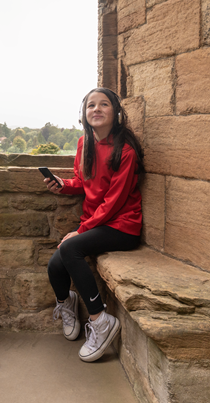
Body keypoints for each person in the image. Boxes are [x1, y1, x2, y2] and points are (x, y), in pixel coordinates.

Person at [43, 87, 144, 362]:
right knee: (55, 265)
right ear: (84, 114)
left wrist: (81, 231)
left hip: (123, 226)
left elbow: (113, 201)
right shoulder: (83, 144)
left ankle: (100, 321)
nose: (96, 109)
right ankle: (67, 303)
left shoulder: (125, 150)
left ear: (116, 113)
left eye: (104, 105)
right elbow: (83, 182)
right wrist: (63, 185)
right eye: (91, 106)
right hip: (96, 222)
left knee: (70, 249)